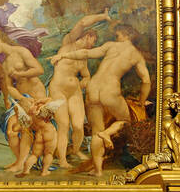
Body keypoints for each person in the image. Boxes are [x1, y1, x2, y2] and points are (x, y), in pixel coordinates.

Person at [76, 25, 152, 157]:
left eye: (118, 35)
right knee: (126, 120)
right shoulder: (136, 55)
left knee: (96, 131)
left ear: (126, 35)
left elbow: (87, 53)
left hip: (93, 88)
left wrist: (64, 55)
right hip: (109, 90)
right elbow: (146, 81)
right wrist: (141, 101)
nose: (116, 38)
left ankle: (97, 170)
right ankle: (107, 133)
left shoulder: (110, 45)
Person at [48, 10, 113, 167]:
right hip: (58, 89)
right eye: (93, 40)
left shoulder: (83, 57)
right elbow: (83, 22)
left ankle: (76, 150)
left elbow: (86, 76)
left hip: (74, 91)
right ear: (87, 36)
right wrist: (103, 16)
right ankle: (62, 160)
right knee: (64, 125)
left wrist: (84, 82)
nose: (93, 44)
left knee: (78, 125)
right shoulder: (68, 43)